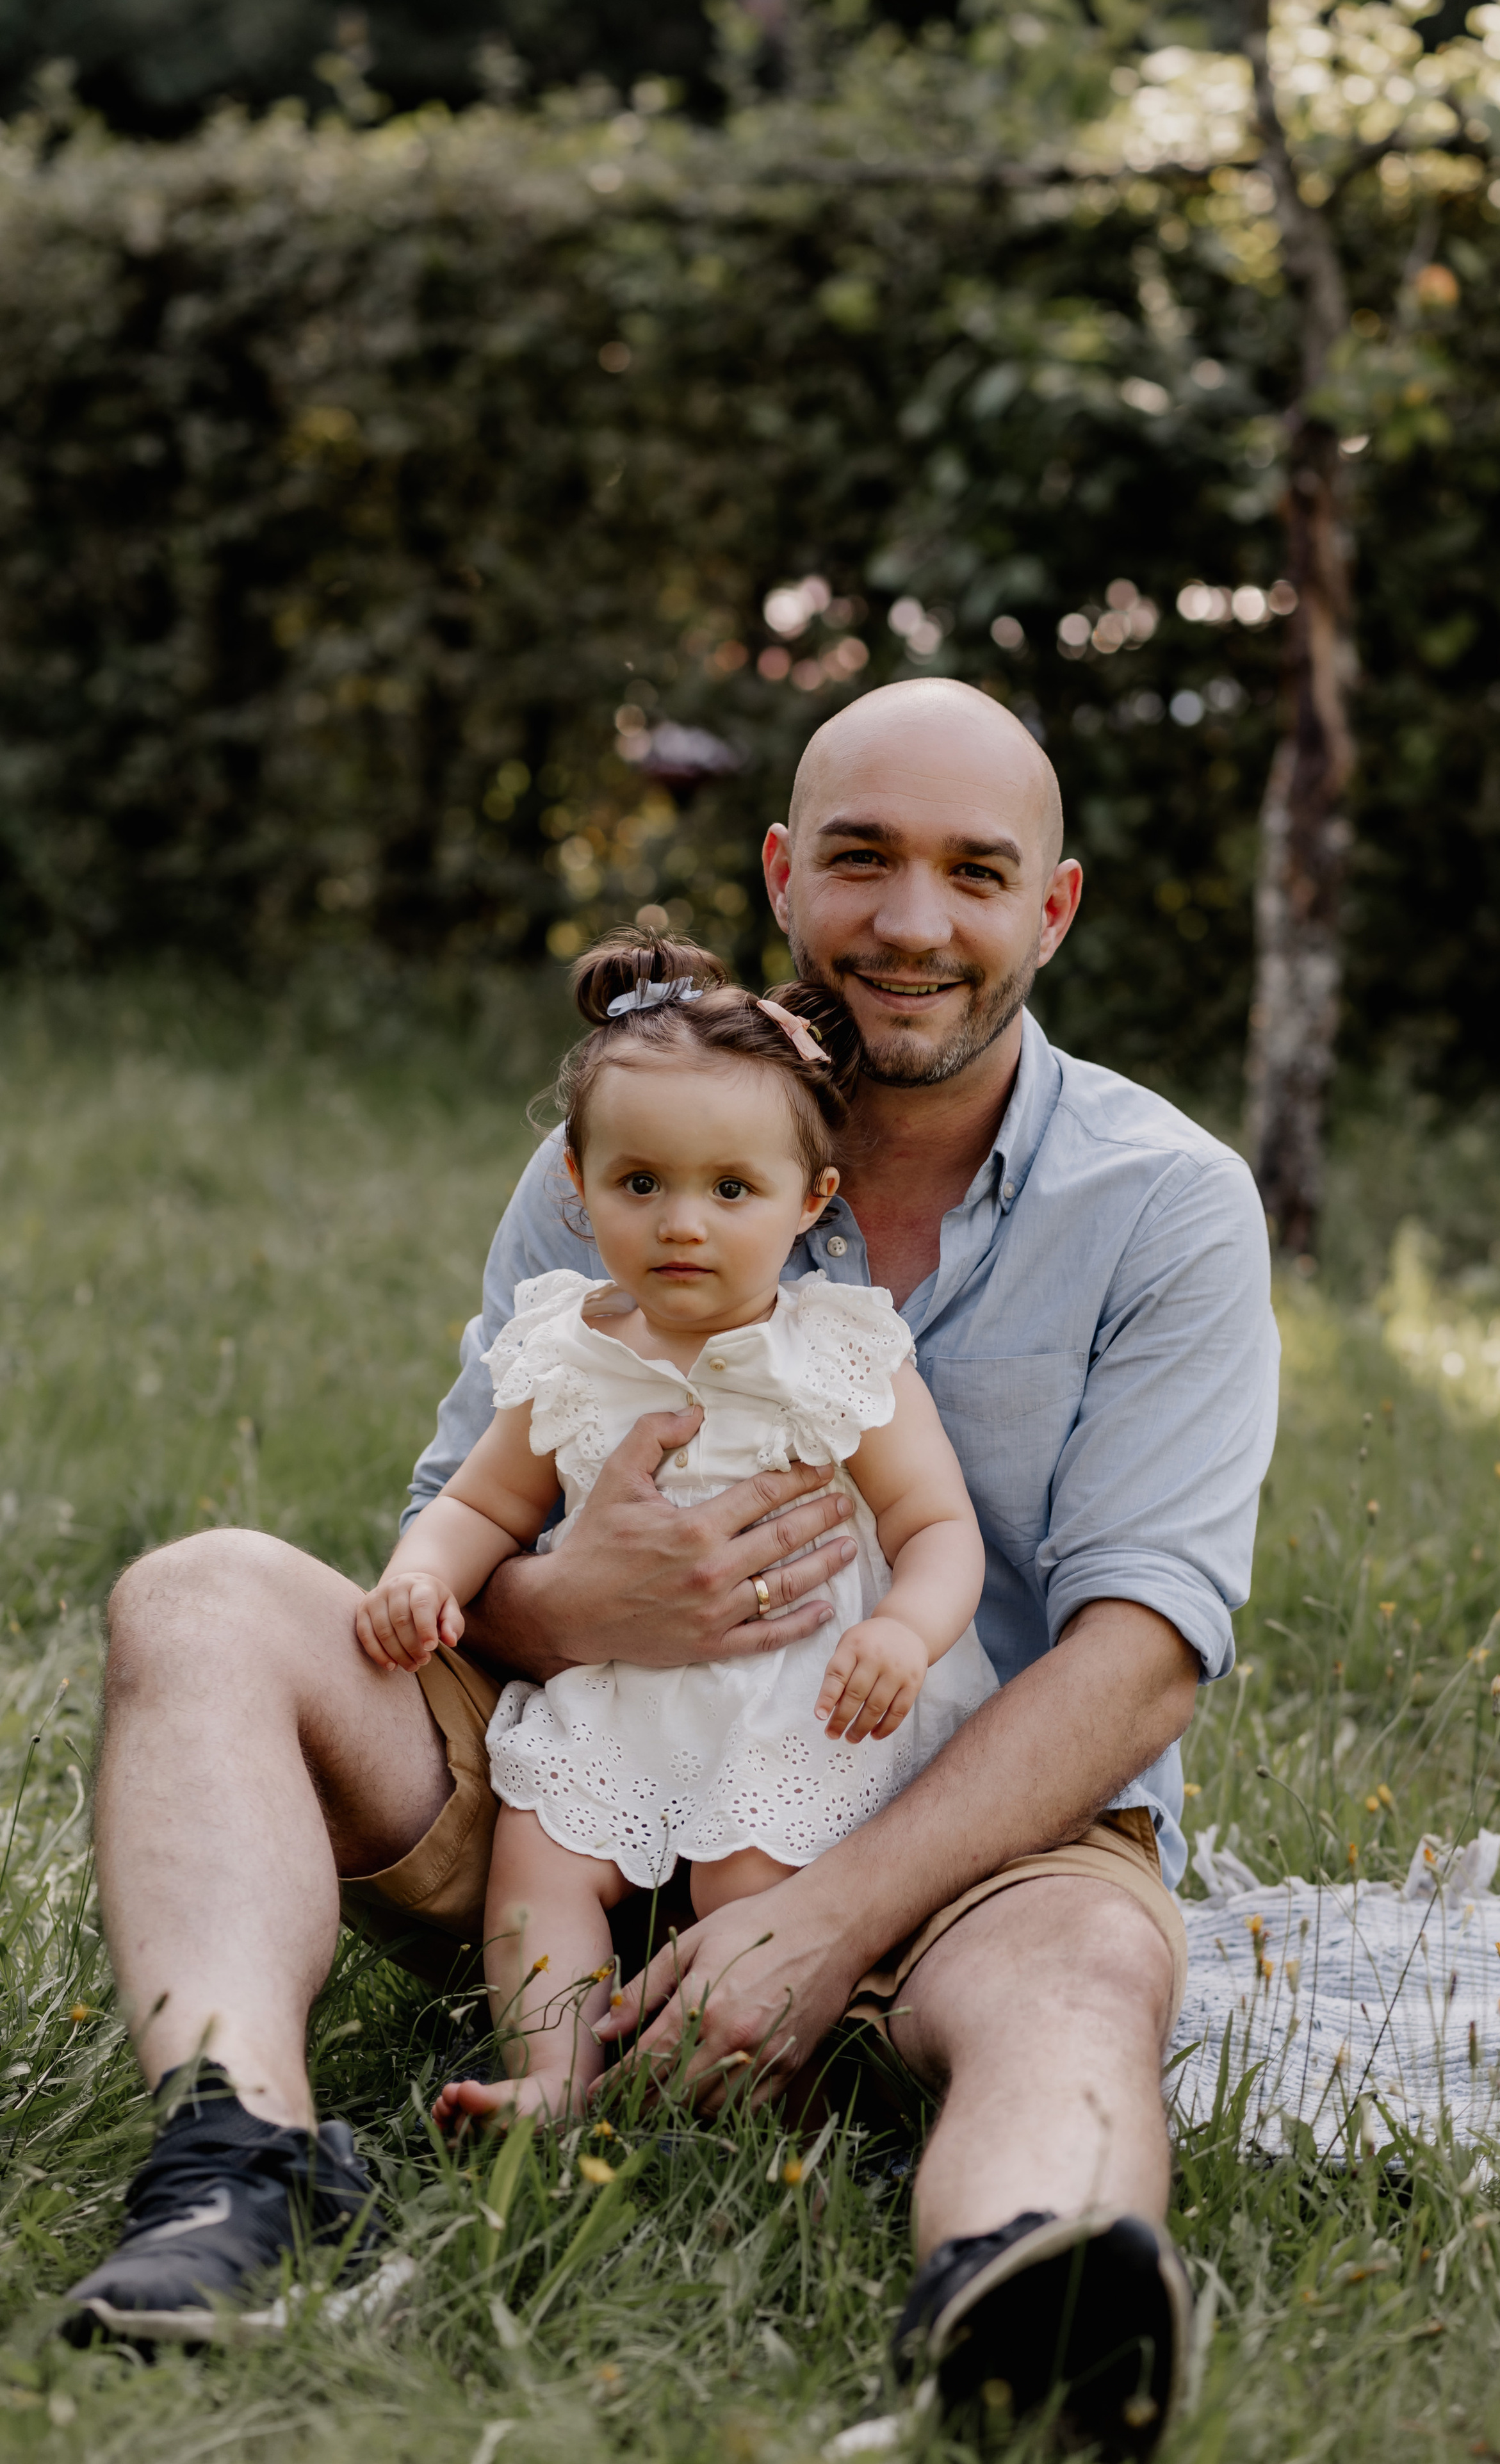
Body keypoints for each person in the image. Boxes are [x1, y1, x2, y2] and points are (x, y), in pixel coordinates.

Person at [71, 678, 1278, 2458]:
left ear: (1054, 906)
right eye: (862, 860)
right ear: (786, 874)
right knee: (200, 1595)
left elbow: (1145, 1651)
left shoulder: (1166, 1204)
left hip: (963, 1822)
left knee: (1080, 1983)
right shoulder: (635, 1137)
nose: (915, 923)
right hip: (583, 1773)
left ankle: (1026, 2281)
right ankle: (233, 2159)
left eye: (976, 871)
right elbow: (453, 1521)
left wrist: (833, 1913)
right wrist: (577, 1604)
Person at [350, 931, 995, 2126]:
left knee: (747, 1890)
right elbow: (485, 1504)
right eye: (640, 1184)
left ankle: (754, 2103)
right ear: (577, 1188)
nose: (682, 1224)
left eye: (731, 1190)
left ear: (812, 1202)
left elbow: (938, 1524)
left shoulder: (835, 1349)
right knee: (536, 1875)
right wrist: (420, 1575)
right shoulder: (572, 1348)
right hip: (616, 1689)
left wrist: (906, 1633)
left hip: (794, 1700)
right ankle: (553, 2080)